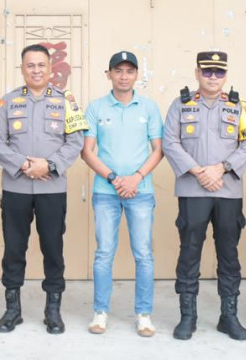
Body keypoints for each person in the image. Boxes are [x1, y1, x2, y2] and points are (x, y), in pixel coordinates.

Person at [163, 51, 246, 341]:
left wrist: (221, 168)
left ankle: (229, 316)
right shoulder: (181, 105)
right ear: (197, 73)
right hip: (193, 190)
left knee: (229, 254)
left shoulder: (239, 106)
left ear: (226, 76)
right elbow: (170, 141)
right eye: (208, 72)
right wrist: (198, 171)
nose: (213, 78)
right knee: (189, 251)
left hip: (228, 190)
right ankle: (188, 317)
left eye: (219, 73)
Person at [0, 44, 87, 335]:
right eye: (30, 65)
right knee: (14, 249)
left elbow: (76, 141)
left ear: (50, 68)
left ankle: (53, 311)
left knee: (53, 249)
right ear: (22, 69)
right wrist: (24, 165)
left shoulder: (66, 102)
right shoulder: (7, 102)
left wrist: (50, 166)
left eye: (41, 65)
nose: (36, 70)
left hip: (52, 189)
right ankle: (13, 310)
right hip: (16, 188)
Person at [81, 51, 163, 337]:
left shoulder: (149, 107)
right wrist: (115, 178)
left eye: (129, 71)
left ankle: (143, 314)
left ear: (136, 75)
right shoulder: (96, 108)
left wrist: (136, 178)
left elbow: (158, 149)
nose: (124, 76)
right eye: (119, 71)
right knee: (104, 253)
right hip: (106, 192)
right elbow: (87, 151)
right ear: (109, 74)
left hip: (141, 192)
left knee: (143, 254)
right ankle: (100, 312)